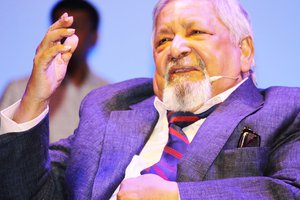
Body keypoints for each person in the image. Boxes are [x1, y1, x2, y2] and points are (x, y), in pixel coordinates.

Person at [0, 0, 299, 199]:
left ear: (244, 50)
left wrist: (177, 196)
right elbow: (26, 192)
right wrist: (35, 98)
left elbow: (291, 190)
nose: (176, 48)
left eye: (195, 32)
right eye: (163, 40)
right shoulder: (109, 109)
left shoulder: (284, 110)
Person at [0, 0, 108, 142]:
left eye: (77, 28)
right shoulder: (18, 89)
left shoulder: (107, 92)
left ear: (94, 38)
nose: (67, 36)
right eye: (61, 29)